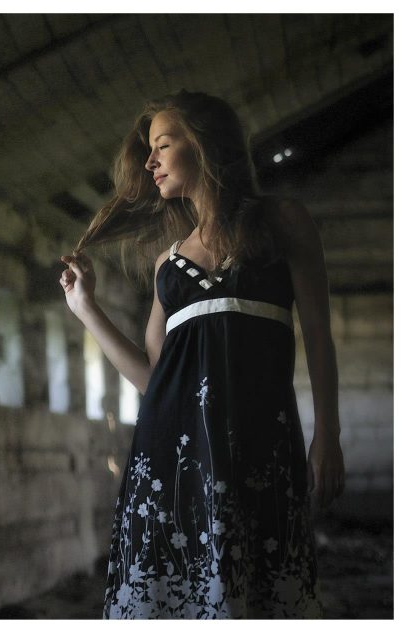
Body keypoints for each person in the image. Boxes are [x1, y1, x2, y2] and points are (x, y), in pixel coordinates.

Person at [58, 90, 345, 618]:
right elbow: (153, 379)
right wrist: (85, 308)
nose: (150, 162)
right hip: (170, 463)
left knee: (258, 599)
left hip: (258, 451)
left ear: (206, 145)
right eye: (150, 149)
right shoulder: (167, 264)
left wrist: (328, 433)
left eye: (163, 145)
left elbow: (319, 335)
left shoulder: (282, 222)